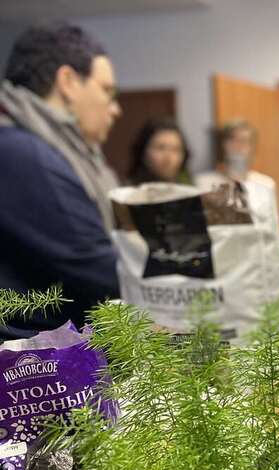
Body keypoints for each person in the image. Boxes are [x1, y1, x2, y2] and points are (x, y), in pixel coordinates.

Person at [0, 23, 121, 340]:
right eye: (106, 90)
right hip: (34, 368)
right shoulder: (24, 153)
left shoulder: (37, 145)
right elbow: (100, 272)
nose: (115, 108)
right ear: (67, 81)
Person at [195, 119, 279, 289]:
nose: (238, 146)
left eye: (244, 141)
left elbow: (274, 231)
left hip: (256, 268)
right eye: (233, 140)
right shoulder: (205, 182)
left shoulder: (265, 185)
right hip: (221, 266)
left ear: (252, 147)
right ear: (223, 144)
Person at [128, 117, 192, 185]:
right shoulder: (127, 192)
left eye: (176, 149)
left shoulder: (190, 189)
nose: (168, 157)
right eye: (160, 148)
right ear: (142, 152)